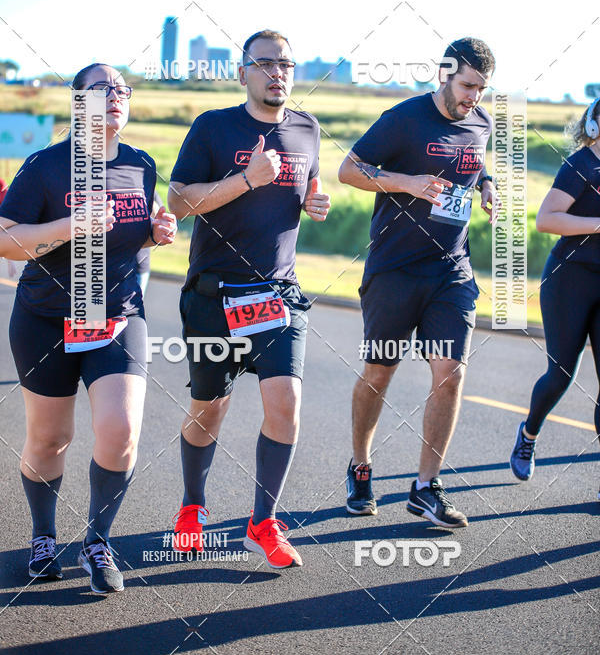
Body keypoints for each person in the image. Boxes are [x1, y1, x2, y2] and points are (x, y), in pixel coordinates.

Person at [0, 63, 177, 594]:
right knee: (50, 438)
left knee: (120, 431)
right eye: (102, 89)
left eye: (122, 89)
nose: (116, 96)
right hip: (45, 317)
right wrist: (67, 225)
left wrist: (154, 233)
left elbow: (129, 238)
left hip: (118, 314)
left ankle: (97, 541)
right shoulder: (47, 166)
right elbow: (8, 241)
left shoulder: (142, 165)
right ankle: (43, 535)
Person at [168, 29, 330, 568]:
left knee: (285, 401)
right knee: (210, 407)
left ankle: (264, 522)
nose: (276, 72)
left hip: (276, 294)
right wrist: (245, 179)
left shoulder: (308, 129)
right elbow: (181, 201)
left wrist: (314, 202)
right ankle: (192, 508)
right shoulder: (213, 127)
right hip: (214, 294)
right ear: (243, 73)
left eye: (285, 63)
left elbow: (309, 184)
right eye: (264, 63)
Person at [339, 37, 497, 528]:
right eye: (468, 85)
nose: (474, 96)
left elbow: (473, 162)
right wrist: (405, 182)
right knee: (380, 371)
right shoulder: (403, 119)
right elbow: (349, 170)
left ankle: (426, 486)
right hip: (395, 270)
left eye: (482, 89)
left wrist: (487, 187)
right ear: (444, 75)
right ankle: (360, 465)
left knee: (451, 372)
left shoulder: (482, 123)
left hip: (451, 270)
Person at [510, 98, 600, 493]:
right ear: (595, 125)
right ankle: (529, 434)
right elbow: (547, 219)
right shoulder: (581, 165)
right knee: (561, 373)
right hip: (570, 279)